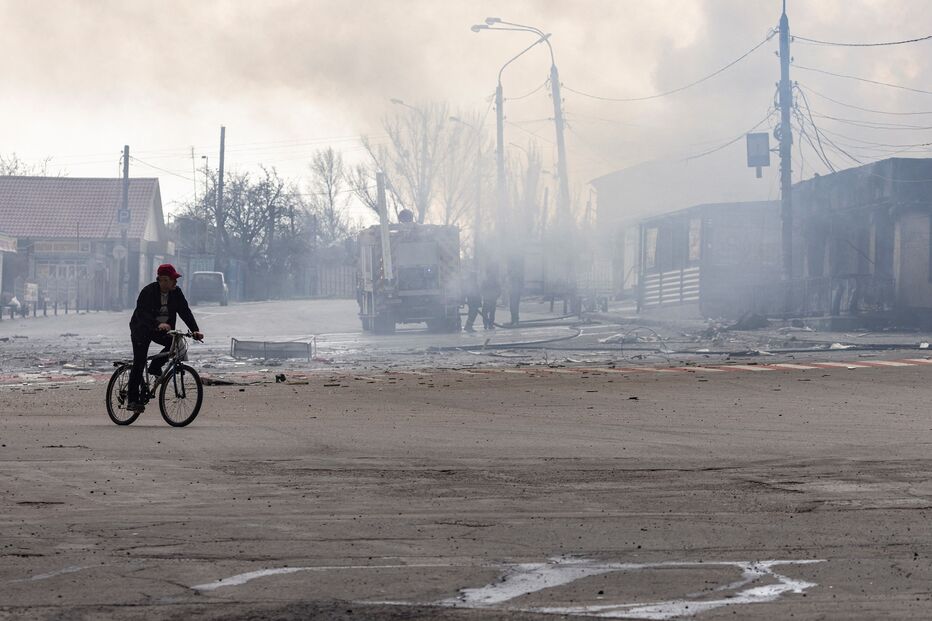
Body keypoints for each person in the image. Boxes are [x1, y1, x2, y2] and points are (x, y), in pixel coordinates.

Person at [127, 264, 203, 412]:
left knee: (175, 344)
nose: (175, 282)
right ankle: (132, 400)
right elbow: (142, 314)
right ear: (162, 280)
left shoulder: (176, 292)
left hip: (163, 329)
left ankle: (155, 367)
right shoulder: (148, 292)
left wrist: (195, 330)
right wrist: (157, 324)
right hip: (141, 330)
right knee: (140, 361)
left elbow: (185, 311)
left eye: (175, 279)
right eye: (172, 279)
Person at [480, 264, 501, 330]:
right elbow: (498, 289)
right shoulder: (492, 281)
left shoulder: (486, 281)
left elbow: (498, 289)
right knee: (488, 313)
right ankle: (488, 325)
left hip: (490, 299)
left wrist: (496, 296)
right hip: (490, 299)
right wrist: (496, 295)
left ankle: (487, 325)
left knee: (487, 313)